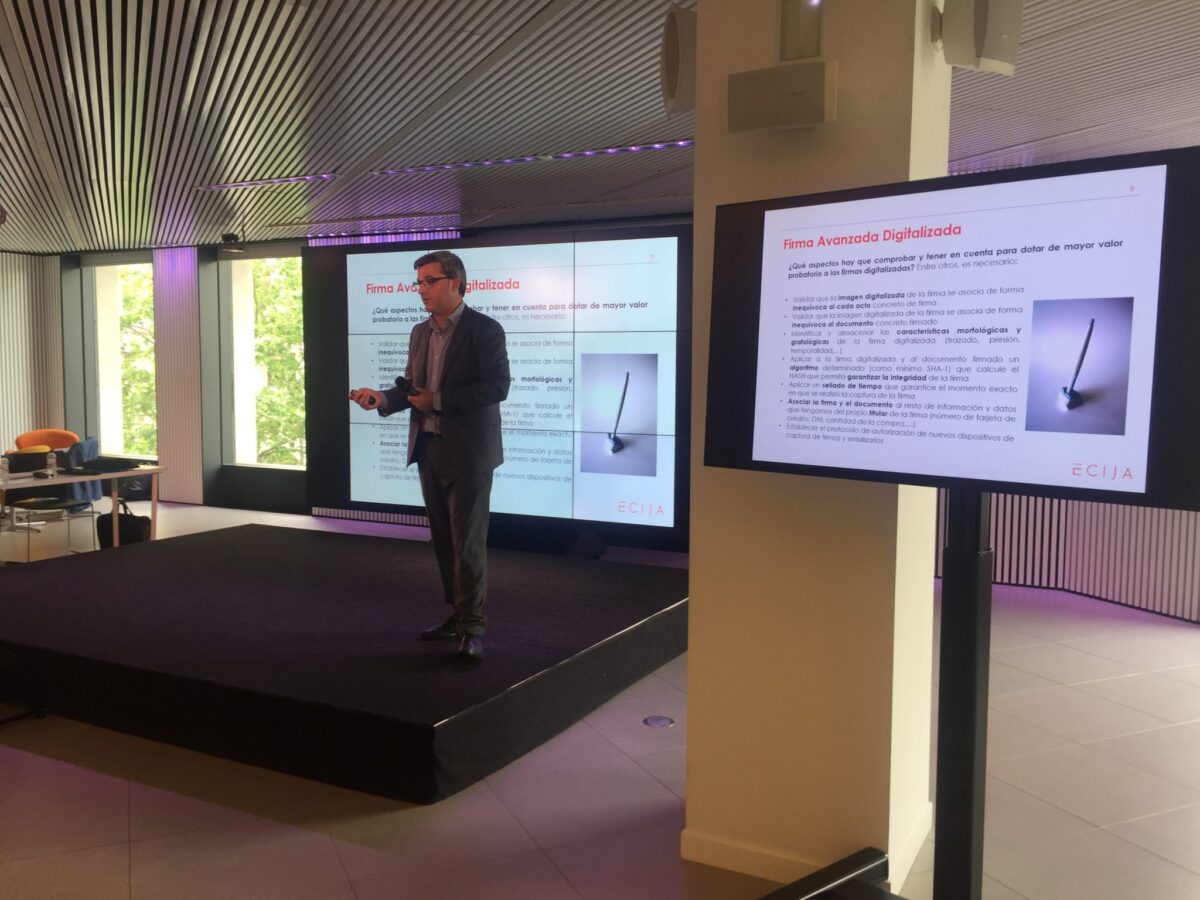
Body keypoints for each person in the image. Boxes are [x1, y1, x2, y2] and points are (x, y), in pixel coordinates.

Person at [349, 250, 510, 661]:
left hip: (470, 454)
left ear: (455, 282)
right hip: (430, 449)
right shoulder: (420, 332)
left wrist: (437, 400)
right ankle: (457, 616)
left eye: (430, 281)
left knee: (467, 543)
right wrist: (382, 398)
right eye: (418, 282)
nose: (421, 289)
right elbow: (411, 388)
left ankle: (473, 627)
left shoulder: (485, 329)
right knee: (443, 540)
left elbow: (496, 387)